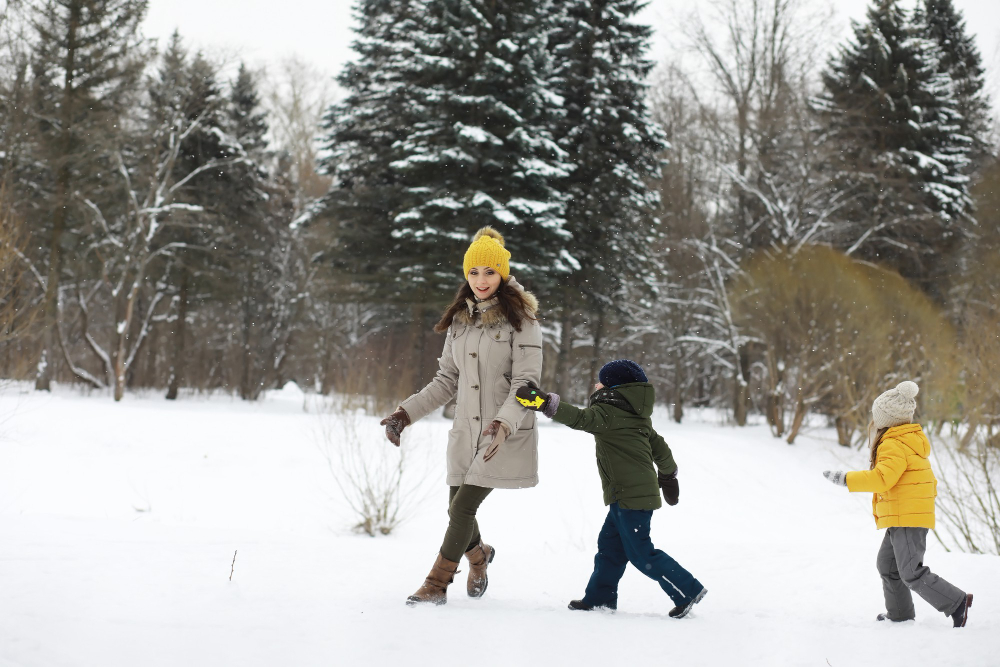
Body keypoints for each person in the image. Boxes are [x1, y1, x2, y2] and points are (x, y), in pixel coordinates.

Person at [379, 226, 542, 606]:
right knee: (457, 508)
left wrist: (504, 423)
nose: (481, 280)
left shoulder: (523, 319)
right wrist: (405, 413)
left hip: (503, 432)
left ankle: (436, 584)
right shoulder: (461, 320)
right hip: (466, 431)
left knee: (464, 507)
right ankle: (479, 556)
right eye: (473, 272)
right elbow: (446, 380)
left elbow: (526, 383)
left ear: (502, 274)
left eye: (489, 272)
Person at [515, 359, 707, 618]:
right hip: (628, 495)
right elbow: (660, 449)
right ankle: (600, 598)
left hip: (630, 496)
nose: (597, 385)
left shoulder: (609, 413)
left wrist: (545, 403)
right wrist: (668, 475)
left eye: (601, 382)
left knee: (641, 553)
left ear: (614, 388)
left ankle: (687, 590)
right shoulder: (637, 415)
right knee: (610, 549)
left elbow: (580, 418)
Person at [823, 380, 973, 627]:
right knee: (888, 566)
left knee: (911, 572)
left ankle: (957, 602)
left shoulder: (894, 443)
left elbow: (882, 478)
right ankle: (900, 614)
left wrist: (846, 478)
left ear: (885, 419)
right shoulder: (908, 439)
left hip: (907, 517)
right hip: (903, 514)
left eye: (876, 416)